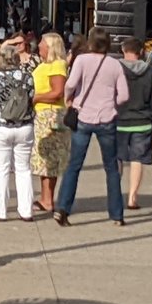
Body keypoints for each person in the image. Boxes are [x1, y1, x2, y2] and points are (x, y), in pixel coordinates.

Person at [54, 29, 130, 227]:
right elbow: (124, 96)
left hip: (83, 116)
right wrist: (112, 103)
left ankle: (63, 208)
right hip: (106, 117)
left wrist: (69, 99)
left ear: (90, 43)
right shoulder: (115, 64)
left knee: (74, 165)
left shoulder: (81, 60)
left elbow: (70, 84)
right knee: (111, 167)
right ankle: (117, 214)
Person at [0, 45, 38, 222]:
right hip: (24, 126)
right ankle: (26, 211)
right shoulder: (27, 76)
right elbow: (31, 96)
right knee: (23, 169)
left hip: (0, 126)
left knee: (1, 171)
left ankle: (0, 212)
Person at [116, 36, 152, 212]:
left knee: (117, 158)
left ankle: (115, 192)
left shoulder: (116, 70)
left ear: (123, 50)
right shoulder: (150, 72)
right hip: (142, 121)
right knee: (137, 159)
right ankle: (132, 197)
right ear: (141, 52)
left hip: (119, 120)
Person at [31, 31, 71, 215]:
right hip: (42, 114)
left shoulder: (57, 65)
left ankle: (48, 200)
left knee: (51, 158)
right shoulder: (44, 64)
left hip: (51, 115)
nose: (39, 45)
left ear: (50, 46)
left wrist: (35, 97)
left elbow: (58, 92)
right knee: (43, 159)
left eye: (42, 43)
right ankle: (45, 198)